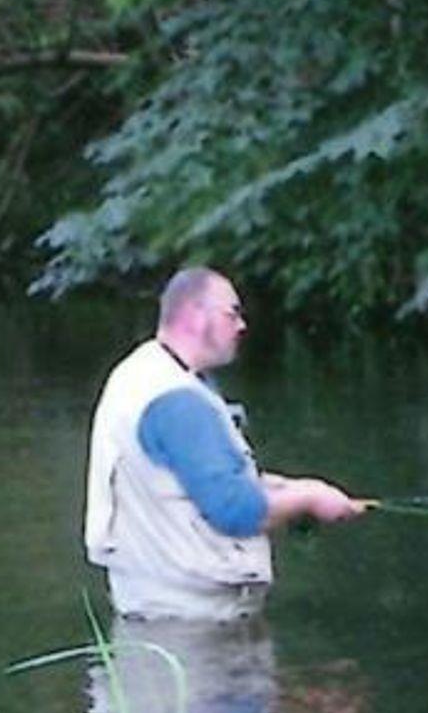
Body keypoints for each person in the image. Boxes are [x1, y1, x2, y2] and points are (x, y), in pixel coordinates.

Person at [84, 266, 367, 621]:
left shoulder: (143, 372)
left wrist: (287, 486)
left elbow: (185, 482)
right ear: (195, 315)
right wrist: (310, 498)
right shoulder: (177, 401)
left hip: (152, 606)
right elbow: (235, 509)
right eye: (232, 313)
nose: (241, 325)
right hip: (196, 623)